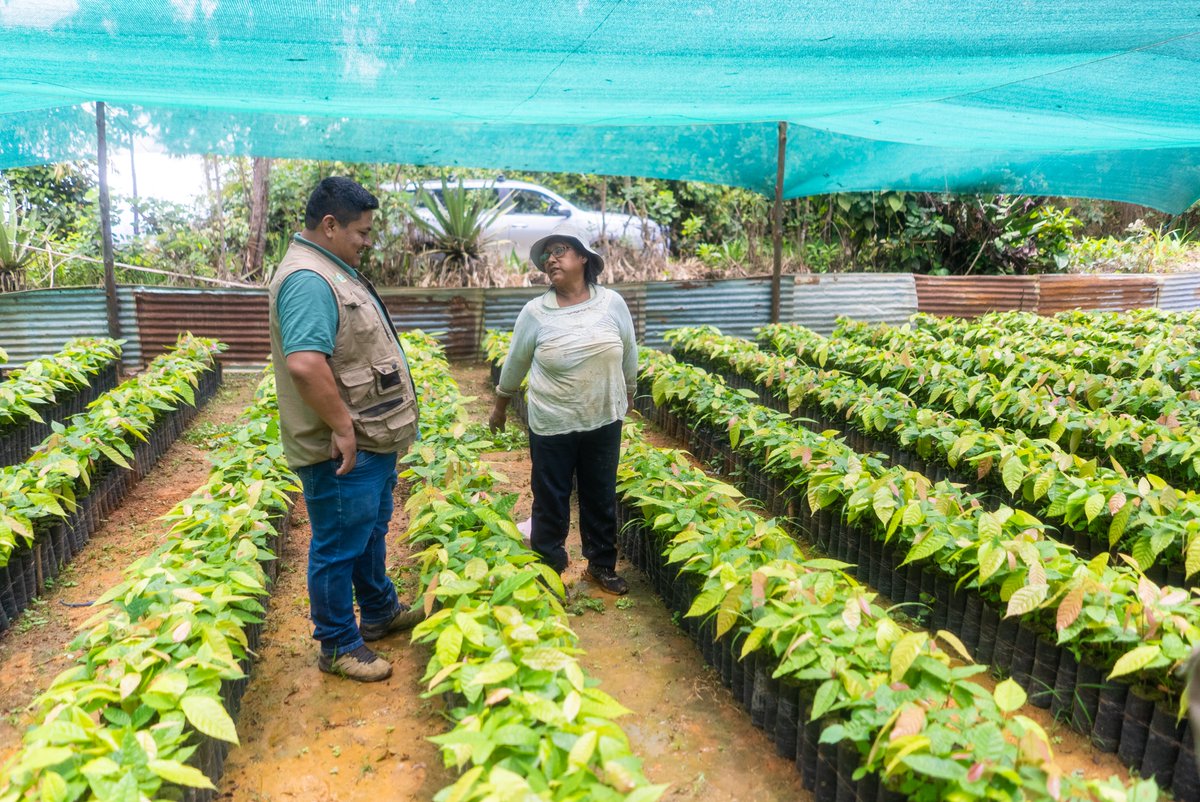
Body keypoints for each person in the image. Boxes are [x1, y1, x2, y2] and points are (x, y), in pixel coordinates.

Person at [268, 176, 422, 682]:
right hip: (342, 449)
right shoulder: (309, 279)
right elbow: (307, 365)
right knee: (338, 544)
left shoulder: (333, 269)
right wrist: (342, 428)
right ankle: (336, 643)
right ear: (330, 226)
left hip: (370, 438)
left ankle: (379, 611)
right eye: (361, 232)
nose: (367, 242)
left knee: (369, 530)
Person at [489, 232, 637, 595]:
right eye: (545, 258)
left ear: (584, 258)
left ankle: (601, 565)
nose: (550, 261)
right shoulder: (535, 312)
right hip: (552, 422)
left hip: (603, 417)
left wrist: (627, 396)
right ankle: (550, 566)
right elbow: (516, 362)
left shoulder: (612, 303)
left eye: (559, 252)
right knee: (551, 496)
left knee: (599, 494)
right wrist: (500, 406)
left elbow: (629, 352)